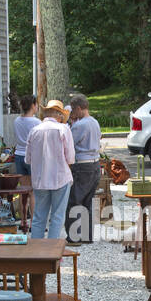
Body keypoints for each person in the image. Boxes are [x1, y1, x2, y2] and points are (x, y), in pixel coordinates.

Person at [25, 100, 74, 239]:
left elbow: (27, 159)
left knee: (39, 217)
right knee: (57, 217)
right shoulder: (63, 129)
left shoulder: (34, 130)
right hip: (60, 177)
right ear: (59, 115)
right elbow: (70, 158)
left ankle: (36, 253)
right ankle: (52, 253)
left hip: (40, 179)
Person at [66, 92, 101, 244]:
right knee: (88, 201)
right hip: (95, 164)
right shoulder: (95, 122)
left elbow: (69, 144)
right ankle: (87, 236)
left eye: (73, 110)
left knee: (74, 200)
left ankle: (74, 236)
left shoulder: (80, 125)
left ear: (79, 108)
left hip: (82, 165)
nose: (72, 114)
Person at [12, 94, 39, 176]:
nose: (37, 106)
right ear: (32, 105)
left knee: (23, 185)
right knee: (33, 185)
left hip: (18, 155)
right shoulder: (37, 122)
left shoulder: (16, 121)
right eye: (36, 104)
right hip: (32, 156)